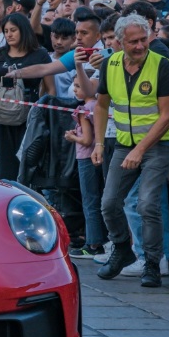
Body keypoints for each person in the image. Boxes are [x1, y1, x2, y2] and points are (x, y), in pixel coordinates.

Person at [93, 14, 169, 288]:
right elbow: (101, 105)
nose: (141, 46)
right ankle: (121, 249)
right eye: (134, 42)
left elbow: (167, 116)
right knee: (108, 203)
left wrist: (140, 150)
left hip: (157, 144)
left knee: (147, 204)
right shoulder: (111, 63)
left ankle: (152, 263)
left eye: (144, 39)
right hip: (123, 143)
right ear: (119, 43)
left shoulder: (162, 65)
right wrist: (97, 143)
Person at [0, 13, 52, 182]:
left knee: (26, 163)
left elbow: (51, 90)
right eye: (6, 31)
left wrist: (43, 114)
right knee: (3, 165)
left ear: (24, 30)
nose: (9, 34)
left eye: (13, 30)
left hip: (28, 118)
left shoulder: (40, 55)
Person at [64, 78, 101, 259]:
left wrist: (73, 137)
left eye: (79, 86)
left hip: (86, 158)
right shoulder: (99, 106)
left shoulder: (83, 110)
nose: (75, 90)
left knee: (89, 200)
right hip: (100, 156)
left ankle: (93, 243)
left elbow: (86, 140)